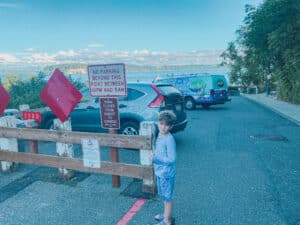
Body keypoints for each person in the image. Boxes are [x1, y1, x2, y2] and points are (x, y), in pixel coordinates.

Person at [150, 110, 177, 225]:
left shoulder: (169, 139)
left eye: (167, 125)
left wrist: (155, 159)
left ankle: (167, 220)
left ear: (171, 126)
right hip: (160, 172)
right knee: (164, 196)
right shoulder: (160, 134)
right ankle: (166, 214)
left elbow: (172, 159)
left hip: (166, 174)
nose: (163, 127)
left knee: (167, 198)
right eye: (161, 124)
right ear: (158, 123)